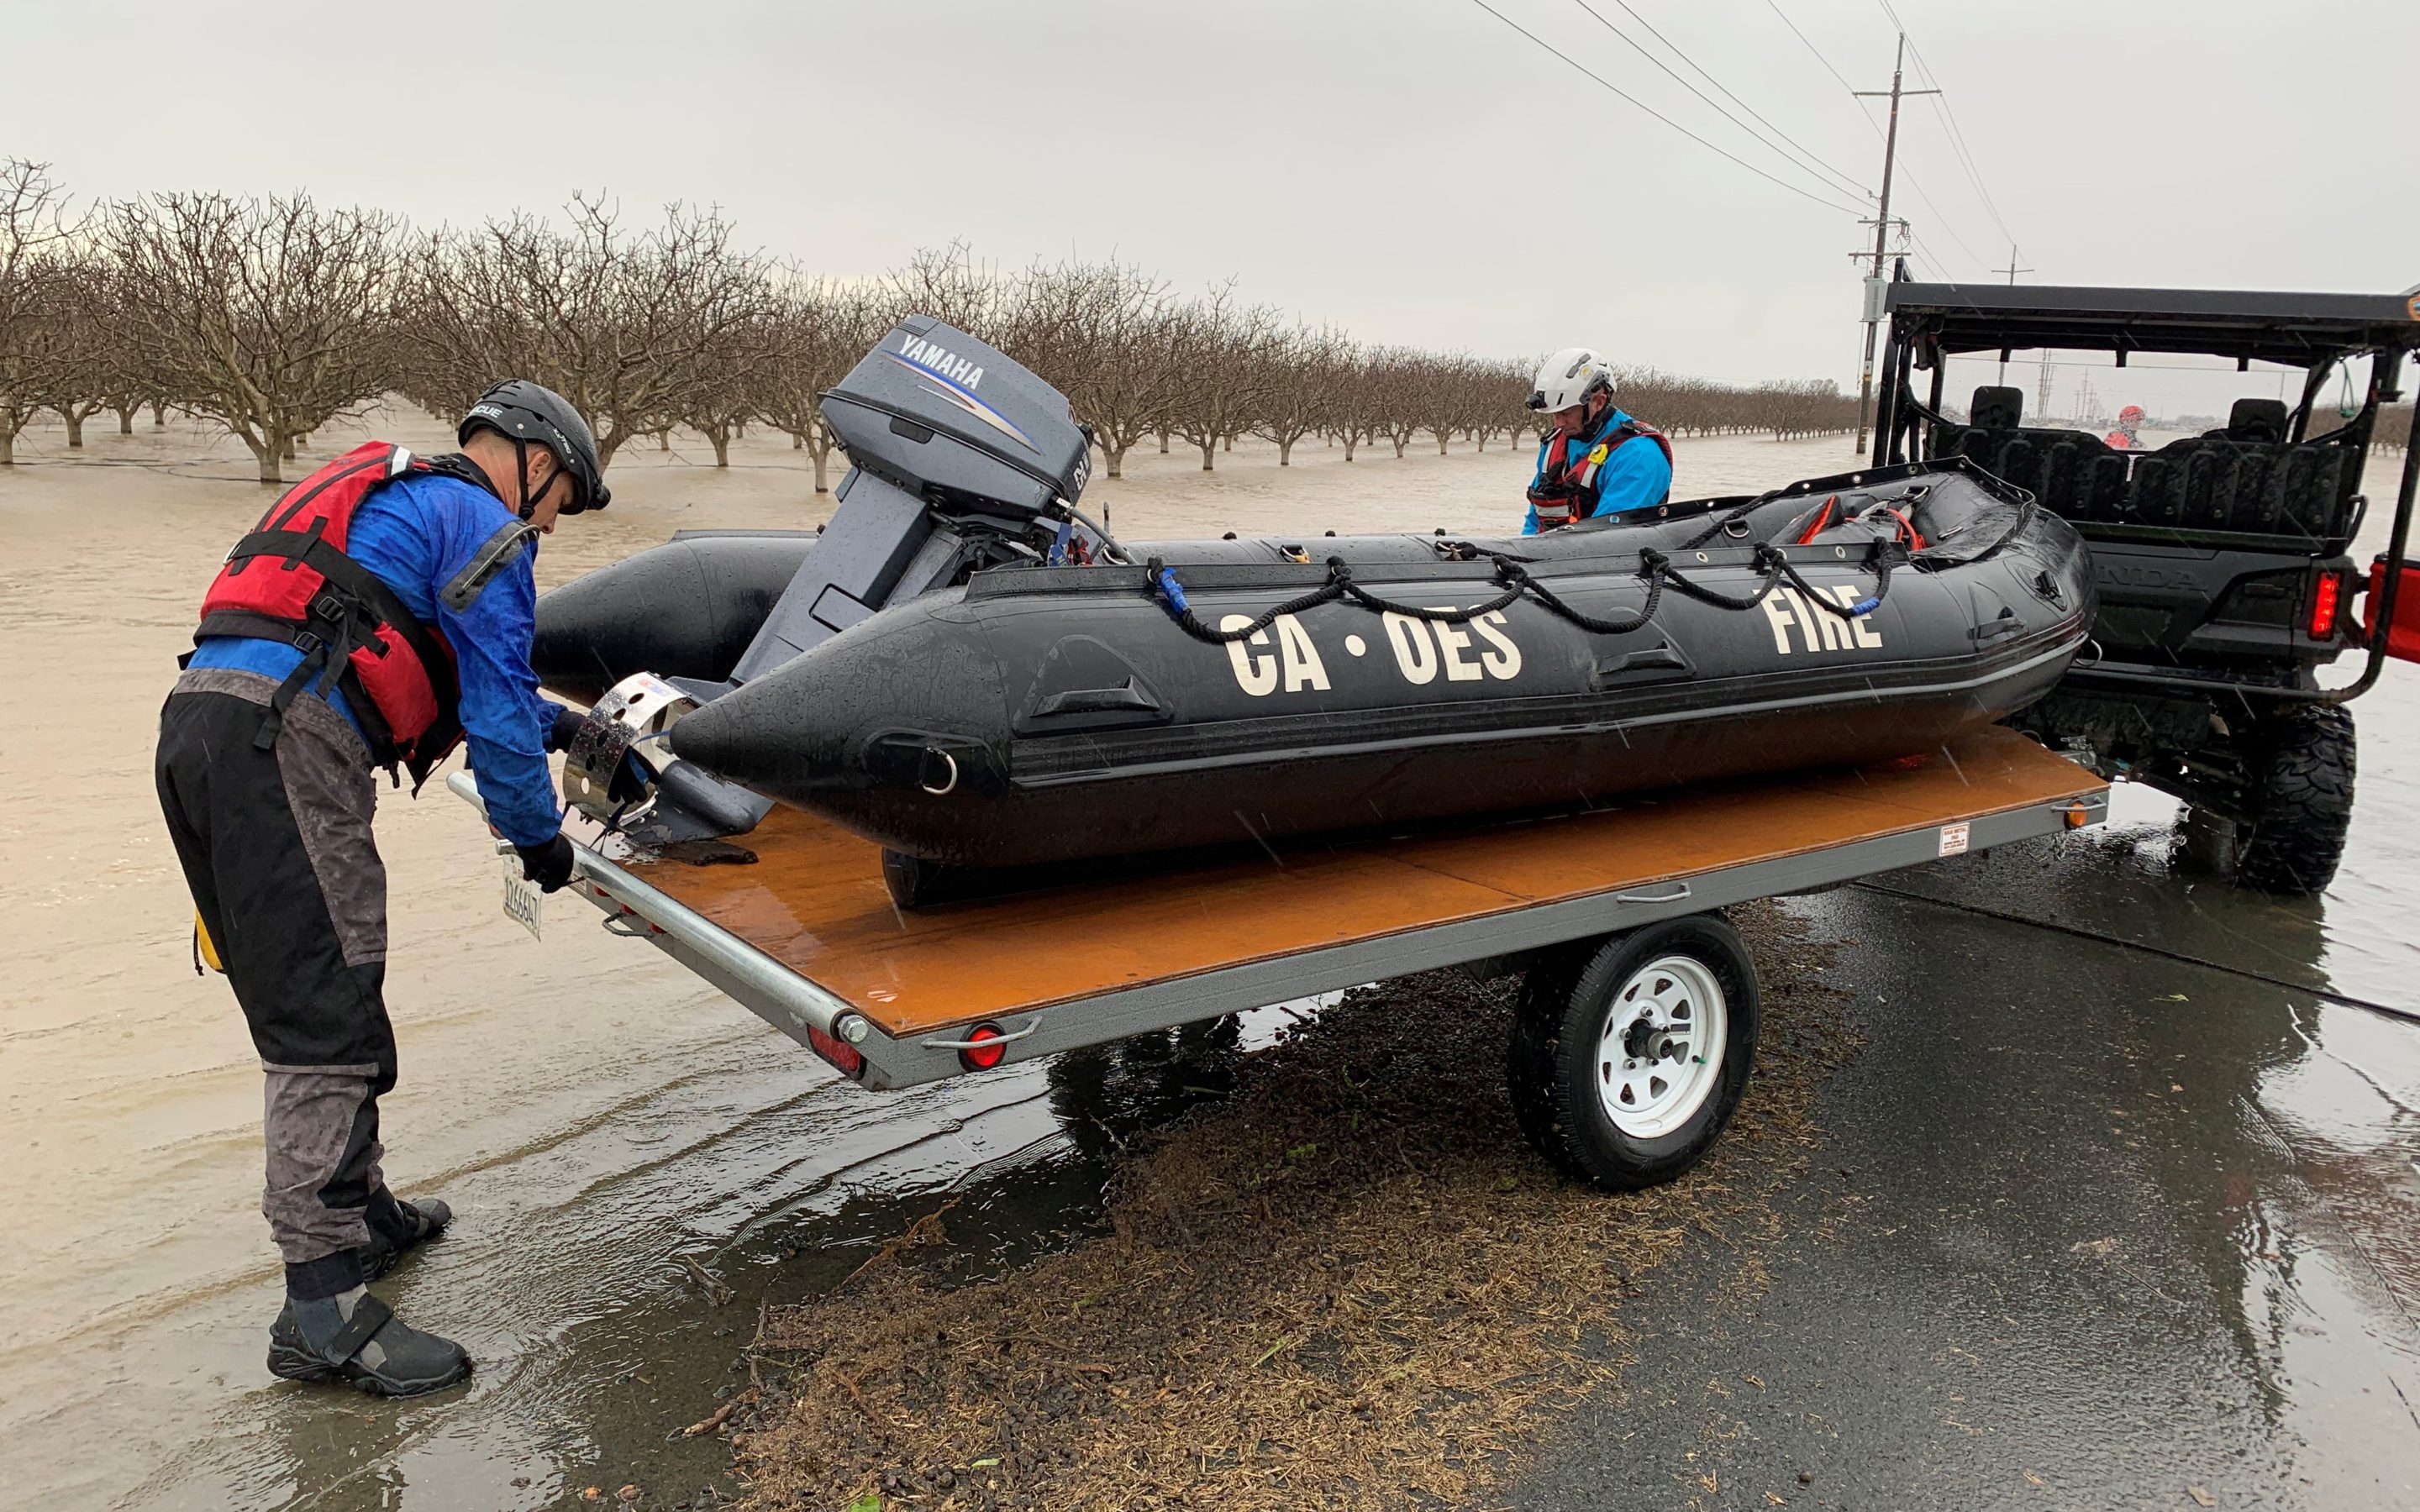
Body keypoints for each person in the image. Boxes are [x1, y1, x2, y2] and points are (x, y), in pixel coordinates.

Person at [155, 381, 609, 1397]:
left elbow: (415, 658)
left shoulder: (403, 498)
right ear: (535, 464)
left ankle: (363, 1215)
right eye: (560, 505)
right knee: (325, 1017)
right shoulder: (489, 528)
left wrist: (573, 729)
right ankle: (322, 1312)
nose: (549, 526)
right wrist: (539, 842)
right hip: (289, 747)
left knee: (328, 987)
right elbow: (494, 703)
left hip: (203, 728)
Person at [1522, 347, 1674, 533]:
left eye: (1566, 413)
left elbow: (1607, 536)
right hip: (1553, 547)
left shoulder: (1640, 456)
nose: (1558, 423)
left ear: (1599, 402)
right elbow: (1534, 521)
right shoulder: (1555, 444)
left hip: (1607, 548)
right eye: (1554, 414)